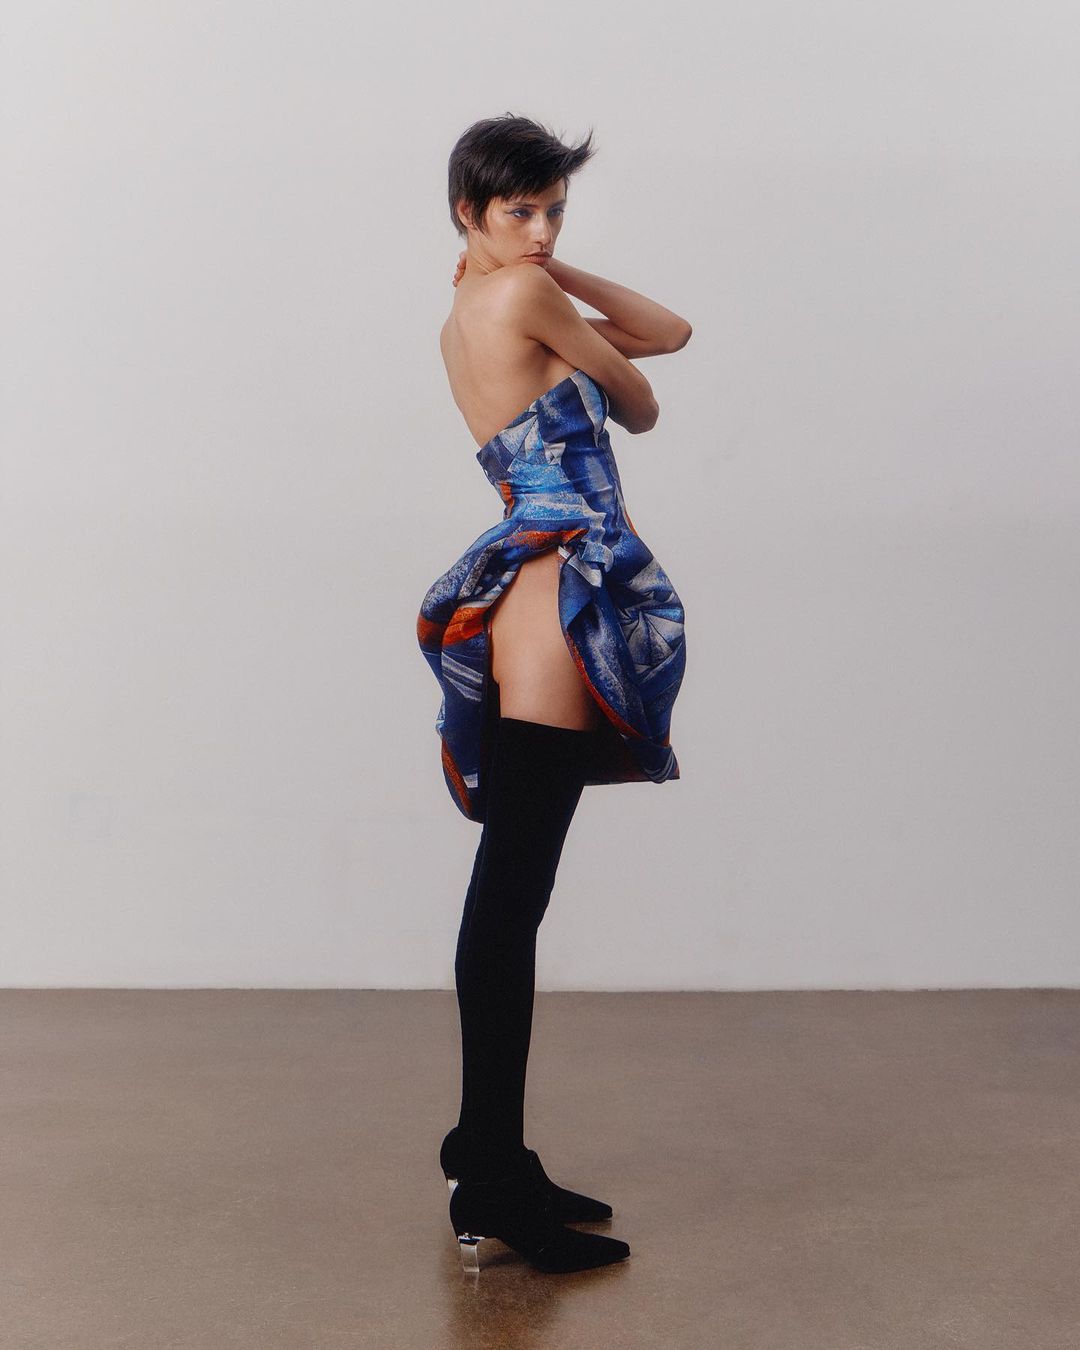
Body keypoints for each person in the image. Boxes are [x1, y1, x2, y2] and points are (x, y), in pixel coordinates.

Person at [415, 113, 691, 1274]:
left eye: (555, 212)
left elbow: (669, 331)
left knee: (513, 891)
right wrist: (544, 282)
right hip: (551, 598)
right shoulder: (519, 300)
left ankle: (494, 1155)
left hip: (539, 583)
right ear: (466, 212)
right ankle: (486, 1183)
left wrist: (547, 267)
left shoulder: (486, 304)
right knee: (511, 894)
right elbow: (645, 395)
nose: (542, 231)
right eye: (519, 211)